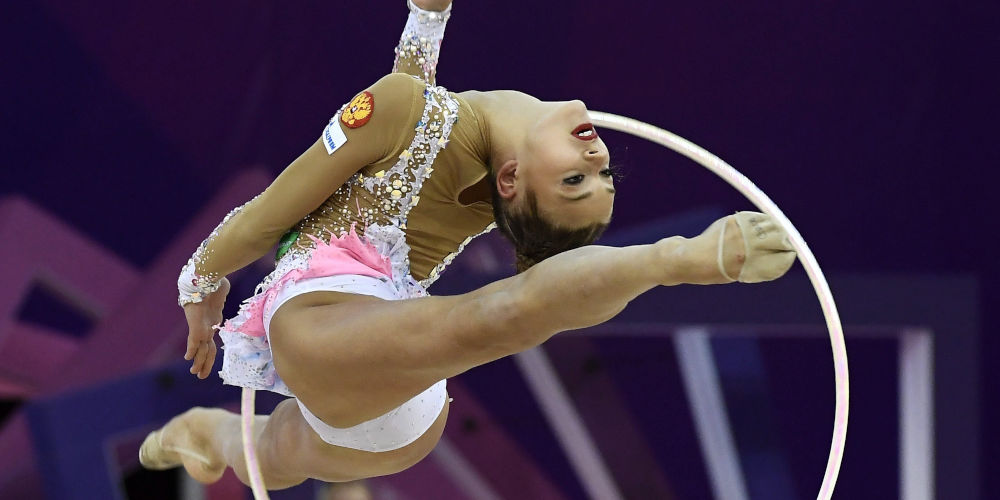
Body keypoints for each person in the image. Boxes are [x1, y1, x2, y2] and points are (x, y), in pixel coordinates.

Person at [140, 0, 796, 490]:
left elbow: (268, 217)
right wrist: (428, 17)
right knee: (274, 454)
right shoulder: (449, 148)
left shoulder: (418, 122)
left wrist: (200, 283)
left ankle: (677, 257)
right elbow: (414, 126)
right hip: (405, 413)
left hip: (333, 326)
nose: (597, 159)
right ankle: (212, 432)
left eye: (575, 180)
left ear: (509, 182)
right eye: (601, 177)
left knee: (493, 316)